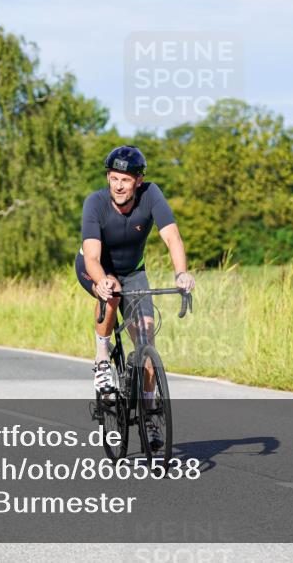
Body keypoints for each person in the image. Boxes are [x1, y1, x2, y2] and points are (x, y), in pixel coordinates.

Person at [75, 146, 195, 445]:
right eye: (113, 178)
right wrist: (102, 281)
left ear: (138, 181)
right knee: (112, 292)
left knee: (146, 343)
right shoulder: (96, 203)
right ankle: (102, 358)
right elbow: (91, 256)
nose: (117, 185)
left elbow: (172, 237)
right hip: (97, 266)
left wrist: (181, 273)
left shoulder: (152, 195)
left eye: (125, 180)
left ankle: (151, 414)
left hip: (134, 271)